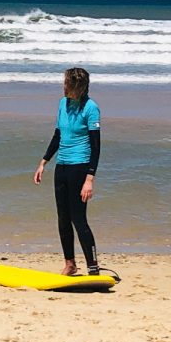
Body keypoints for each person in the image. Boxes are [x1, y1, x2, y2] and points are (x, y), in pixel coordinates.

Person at [34, 67, 101, 276]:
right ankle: (70, 264)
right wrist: (44, 162)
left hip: (80, 168)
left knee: (78, 219)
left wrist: (89, 179)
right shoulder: (63, 104)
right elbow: (57, 135)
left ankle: (93, 266)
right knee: (63, 218)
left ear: (77, 86)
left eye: (67, 83)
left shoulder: (91, 108)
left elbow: (96, 146)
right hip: (62, 167)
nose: (63, 86)